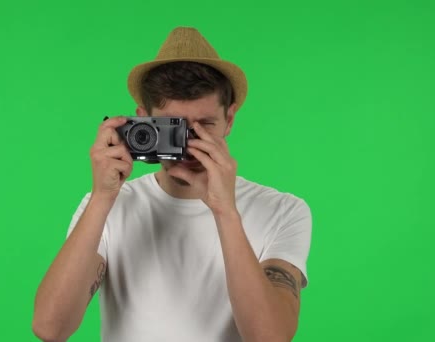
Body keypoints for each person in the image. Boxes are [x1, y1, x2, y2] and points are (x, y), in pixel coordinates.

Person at [32, 27, 312, 342]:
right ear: (142, 120)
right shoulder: (108, 205)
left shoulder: (283, 210)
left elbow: (270, 338)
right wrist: (102, 198)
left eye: (205, 125)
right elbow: (50, 328)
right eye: (172, 127)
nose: (188, 142)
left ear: (230, 120)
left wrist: (225, 211)